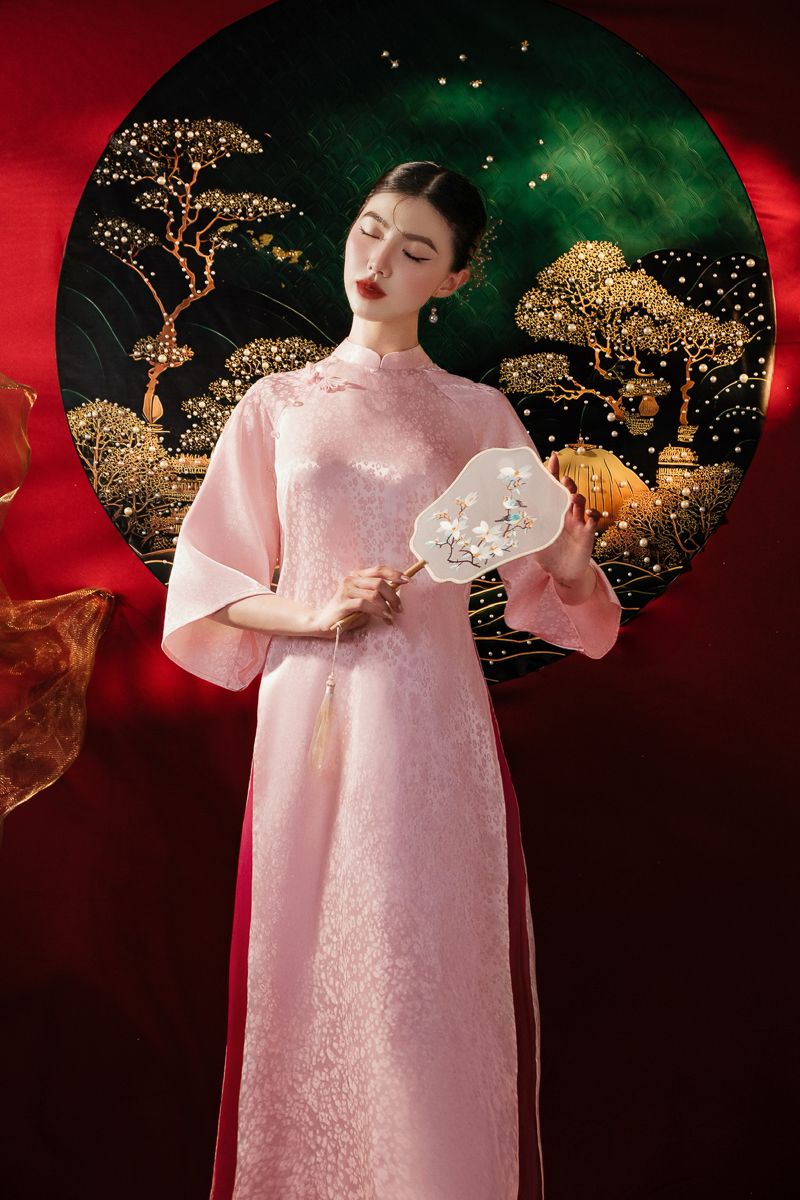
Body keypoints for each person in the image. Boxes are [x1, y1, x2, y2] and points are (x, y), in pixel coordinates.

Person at [161, 161, 621, 1200]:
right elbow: (206, 587)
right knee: (309, 963)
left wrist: (564, 564)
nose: (377, 261)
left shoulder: (476, 414)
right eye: (370, 231)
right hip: (309, 718)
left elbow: (561, 608)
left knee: (420, 977)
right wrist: (316, 612)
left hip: (430, 724)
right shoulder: (277, 405)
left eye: (414, 251)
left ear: (451, 279)